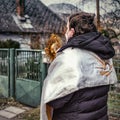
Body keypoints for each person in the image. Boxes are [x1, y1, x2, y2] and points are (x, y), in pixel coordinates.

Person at [40, 12, 117, 120]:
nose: (65, 32)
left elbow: (55, 101)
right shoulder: (104, 54)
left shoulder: (69, 58)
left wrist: (56, 66)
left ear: (72, 32)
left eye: (67, 28)